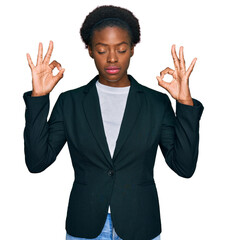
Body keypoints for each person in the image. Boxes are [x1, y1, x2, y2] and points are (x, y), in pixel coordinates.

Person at [23, 5, 204, 240]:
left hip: (140, 224)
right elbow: (37, 162)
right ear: (89, 50)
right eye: (101, 49)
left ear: (132, 49)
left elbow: (184, 167)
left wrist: (185, 103)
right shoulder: (71, 102)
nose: (111, 58)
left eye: (121, 49)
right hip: (85, 226)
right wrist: (39, 97)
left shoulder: (156, 103)